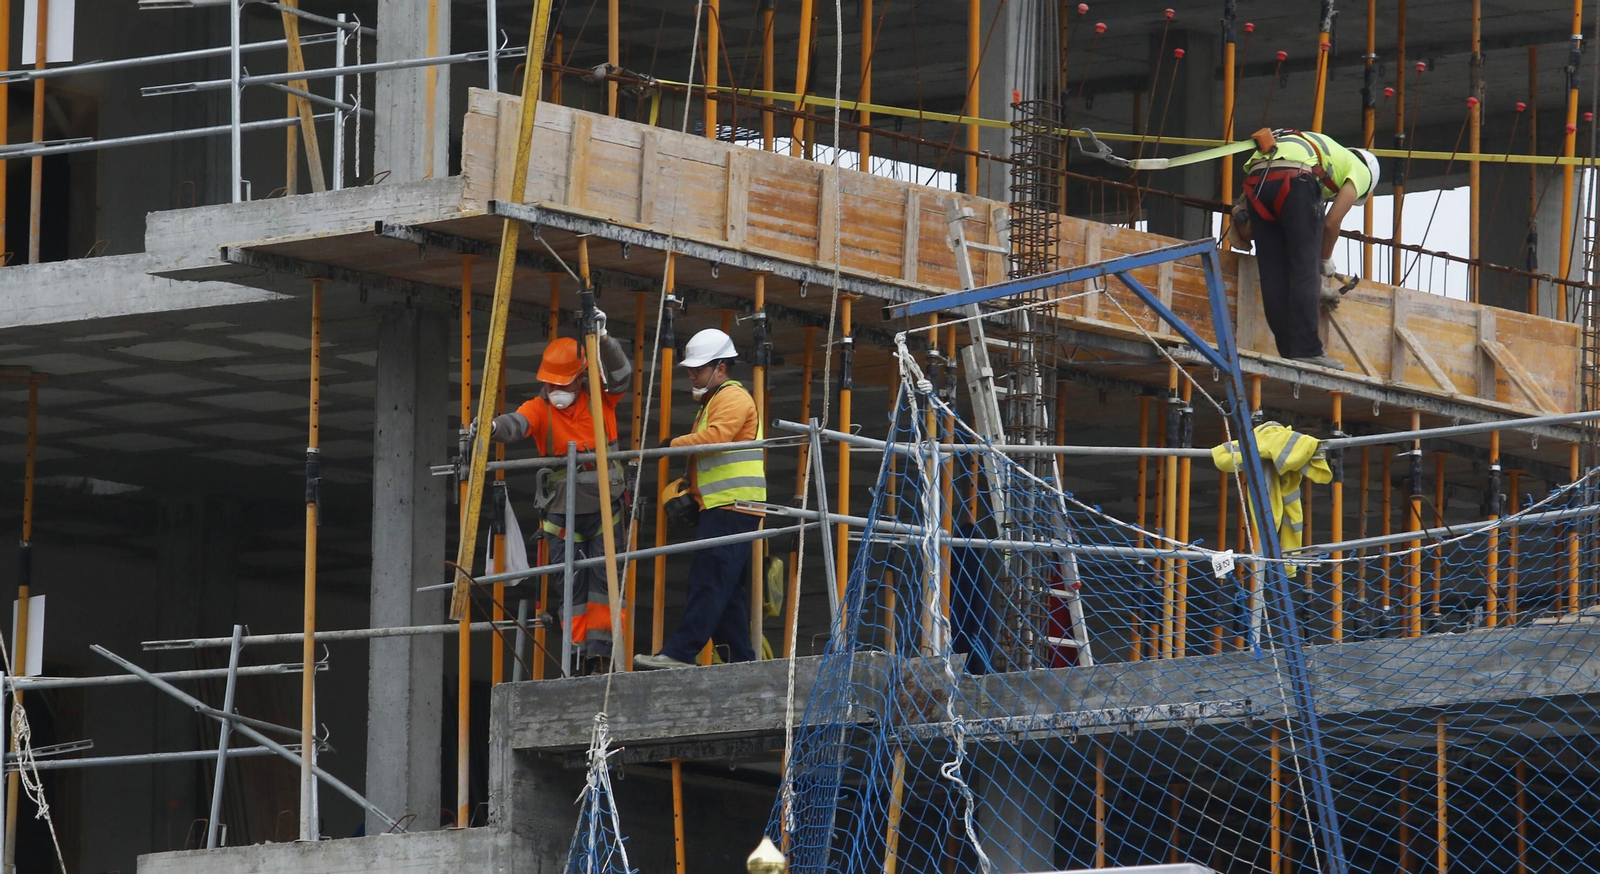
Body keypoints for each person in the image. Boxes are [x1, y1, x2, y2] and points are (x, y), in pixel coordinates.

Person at [487, 308, 631, 676]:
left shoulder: (600, 398)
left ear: (580, 378)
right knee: (569, 579)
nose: (556, 391)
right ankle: (577, 650)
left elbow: (620, 376)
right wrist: (491, 427)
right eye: (551, 384)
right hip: (561, 510)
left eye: (562, 384)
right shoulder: (540, 408)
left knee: (604, 575)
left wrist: (603, 339)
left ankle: (603, 652)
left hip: (604, 504)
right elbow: (516, 424)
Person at [634, 328, 766, 670]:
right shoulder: (716, 400)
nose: (692, 374)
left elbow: (716, 439)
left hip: (732, 506)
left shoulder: (732, 398)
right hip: (726, 506)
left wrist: (670, 446)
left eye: (699, 367)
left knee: (708, 582)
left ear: (721, 367)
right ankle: (742, 662)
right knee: (727, 592)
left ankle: (680, 652)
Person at [1228, 129, 1381, 371]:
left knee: (1273, 273)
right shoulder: (1361, 170)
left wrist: (1315, 288)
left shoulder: (1323, 149)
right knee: (1305, 266)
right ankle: (1307, 351)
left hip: (1258, 179)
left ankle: (1289, 351)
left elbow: (1252, 233)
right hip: (1296, 179)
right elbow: (1332, 222)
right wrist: (1323, 260)